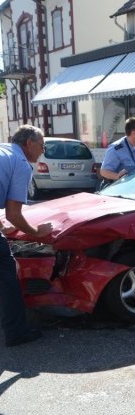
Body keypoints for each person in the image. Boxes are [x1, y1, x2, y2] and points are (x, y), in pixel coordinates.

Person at [0, 125, 53, 347]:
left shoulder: (4, 151)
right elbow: (14, 213)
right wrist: (36, 233)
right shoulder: (21, 163)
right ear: (29, 143)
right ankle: (17, 333)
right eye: (41, 146)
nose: (42, 151)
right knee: (6, 275)